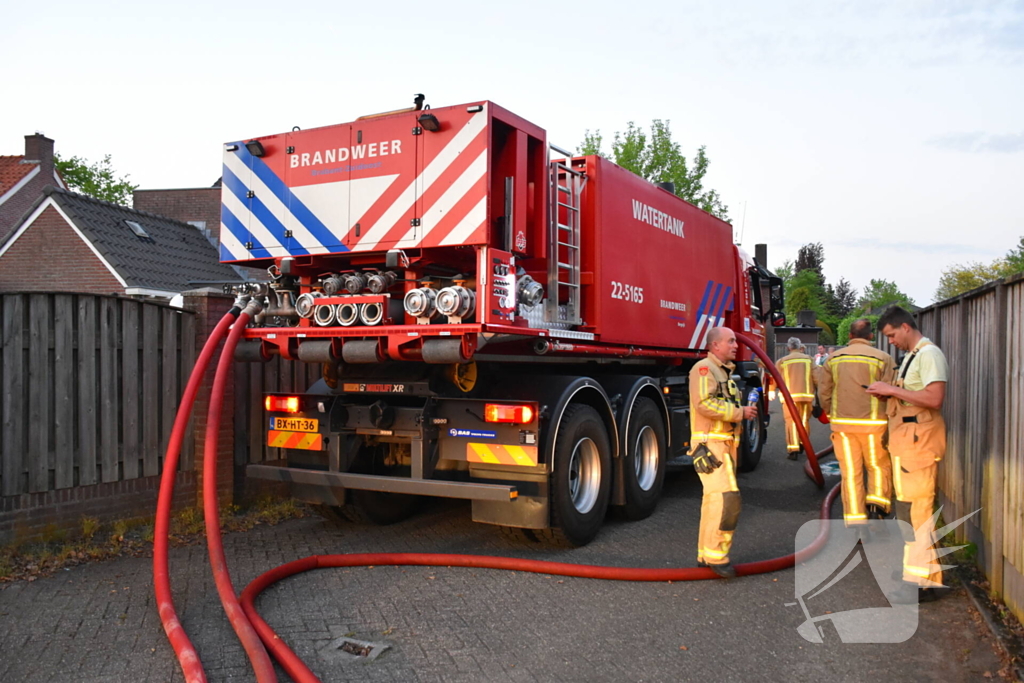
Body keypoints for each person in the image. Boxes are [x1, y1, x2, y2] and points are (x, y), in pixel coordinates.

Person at [866, 306, 950, 604]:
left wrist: (893, 389)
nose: (890, 342)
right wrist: (889, 393)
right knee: (911, 514)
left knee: (917, 516)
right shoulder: (914, 357)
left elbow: (934, 398)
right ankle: (924, 575)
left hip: (918, 447)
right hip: (908, 445)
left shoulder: (928, 355)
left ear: (904, 327)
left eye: (891, 335)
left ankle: (920, 583)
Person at [688, 327, 758, 578]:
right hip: (712, 445)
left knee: (714, 501)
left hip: (722, 444)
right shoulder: (704, 369)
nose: (735, 345)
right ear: (714, 345)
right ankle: (717, 556)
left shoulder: (722, 371)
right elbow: (704, 403)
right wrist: (740, 413)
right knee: (727, 499)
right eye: (730, 341)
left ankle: (706, 554)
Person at [818, 319, 896, 528]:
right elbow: (891, 391)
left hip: (842, 426)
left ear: (850, 336)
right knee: (877, 465)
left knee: (851, 473)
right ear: (871, 336)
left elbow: (824, 392)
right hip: (874, 424)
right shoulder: (883, 358)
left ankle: (855, 522)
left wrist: (829, 412)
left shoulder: (833, 359)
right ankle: (877, 505)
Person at [777, 338, 816, 460]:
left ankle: (793, 449)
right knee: (804, 420)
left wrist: (771, 390)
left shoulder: (782, 361)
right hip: (806, 396)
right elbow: (817, 377)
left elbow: (775, 377)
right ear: (800, 347)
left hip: (789, 398)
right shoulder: (809, 360)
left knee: (791, 422)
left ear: (788, 348)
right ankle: (803, 443)